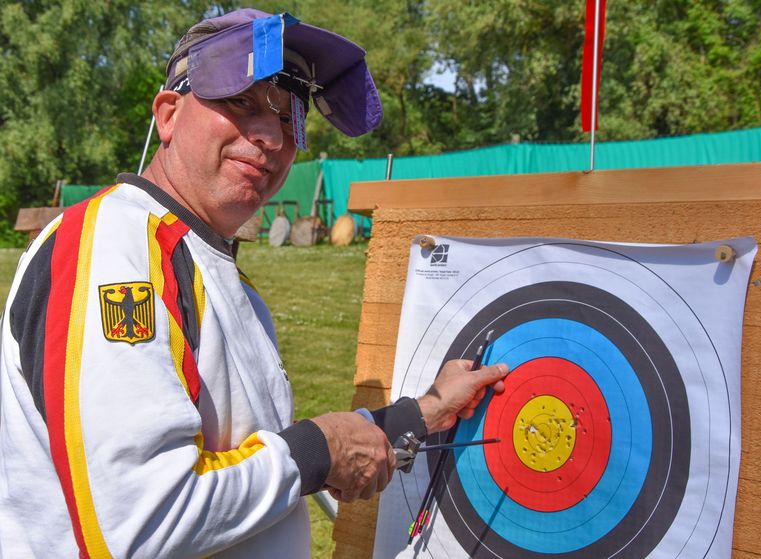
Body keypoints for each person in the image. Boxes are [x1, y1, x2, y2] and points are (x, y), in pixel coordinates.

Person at [0, 8, 507, 558]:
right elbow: (138, 524)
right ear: (169, 115)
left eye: (291, 118)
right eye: (240, 101)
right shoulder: (112, 248)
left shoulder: (209, 269)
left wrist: (424, 410)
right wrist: (320, 451)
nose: (271, 135)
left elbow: (254, 456)